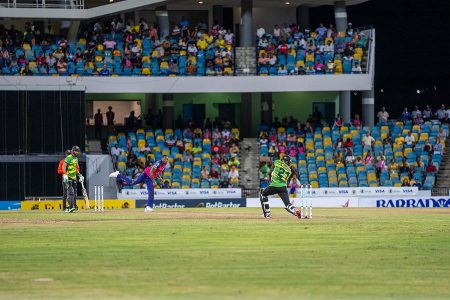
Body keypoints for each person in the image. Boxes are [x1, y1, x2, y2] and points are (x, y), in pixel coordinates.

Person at [62, 146, 82, 213]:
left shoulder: (76, 158)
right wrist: (65, 175)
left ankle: (72, 206)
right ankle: (70, 207)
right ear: (73, 151)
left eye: (78, 151)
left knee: (74, 193)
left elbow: (75, 168)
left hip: (74, 178)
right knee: (70, 192)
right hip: (68, 177)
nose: (77, 152)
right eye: (76, 151)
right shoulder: (69, 157)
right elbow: (64, 166)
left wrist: (79, 175)